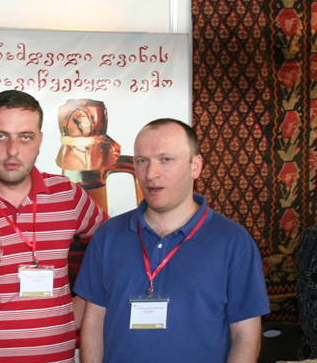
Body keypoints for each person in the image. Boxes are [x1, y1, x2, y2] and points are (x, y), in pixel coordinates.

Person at [74, 118, 270, 363]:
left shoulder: (234, 242)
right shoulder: (108, 235)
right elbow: (94, 321)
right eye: (142, 161)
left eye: (165, 159)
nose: (150, 174)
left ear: (195, 166)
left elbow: (245, 335)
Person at [0, 90, 109, 362]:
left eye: (25, 137)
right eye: (1, 136)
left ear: (40, 141)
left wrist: (88, 301)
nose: (13, 150)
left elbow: (114, 247)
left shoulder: (67, 196)